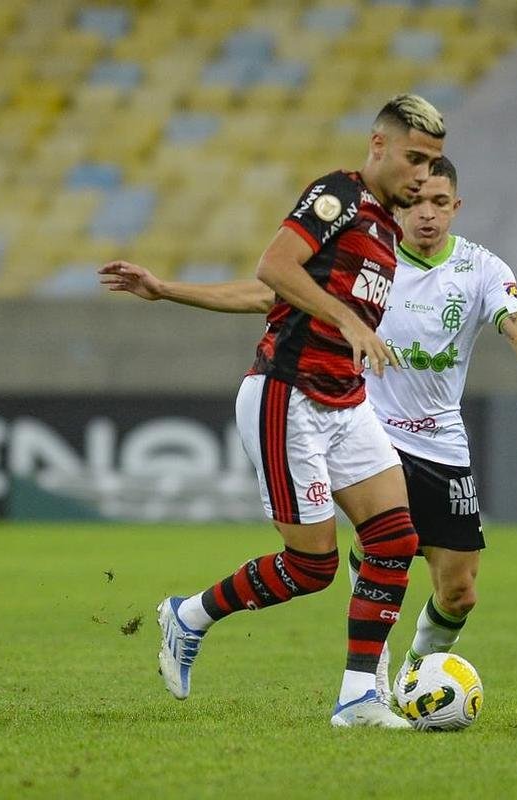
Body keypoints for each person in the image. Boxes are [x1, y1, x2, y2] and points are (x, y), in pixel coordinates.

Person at [99, 155, 517, 703]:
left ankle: (417, 675)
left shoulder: (482, 268)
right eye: (417, 202)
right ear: (401, 200)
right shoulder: (368, 251)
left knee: (459, 592)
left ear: (456, 207)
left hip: (442, 442)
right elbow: (269, 293)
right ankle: (367, 691)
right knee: (369, 553)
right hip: (367, 427)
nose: (427, 214)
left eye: (440, 203)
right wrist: (168, 289)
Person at [135, 94, 445, 729]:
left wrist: (172, 290)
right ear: (378, 144)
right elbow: (274, 266)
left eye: (433, 163)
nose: (422, 174)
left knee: (394, 538)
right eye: (414, 157)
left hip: (345, 400)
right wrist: (348, 320)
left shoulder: (387, 229)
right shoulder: (339, 195)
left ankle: (358, 699)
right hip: (287, 393)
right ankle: (188, 615)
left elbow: (267, 293)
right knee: (313, 567)